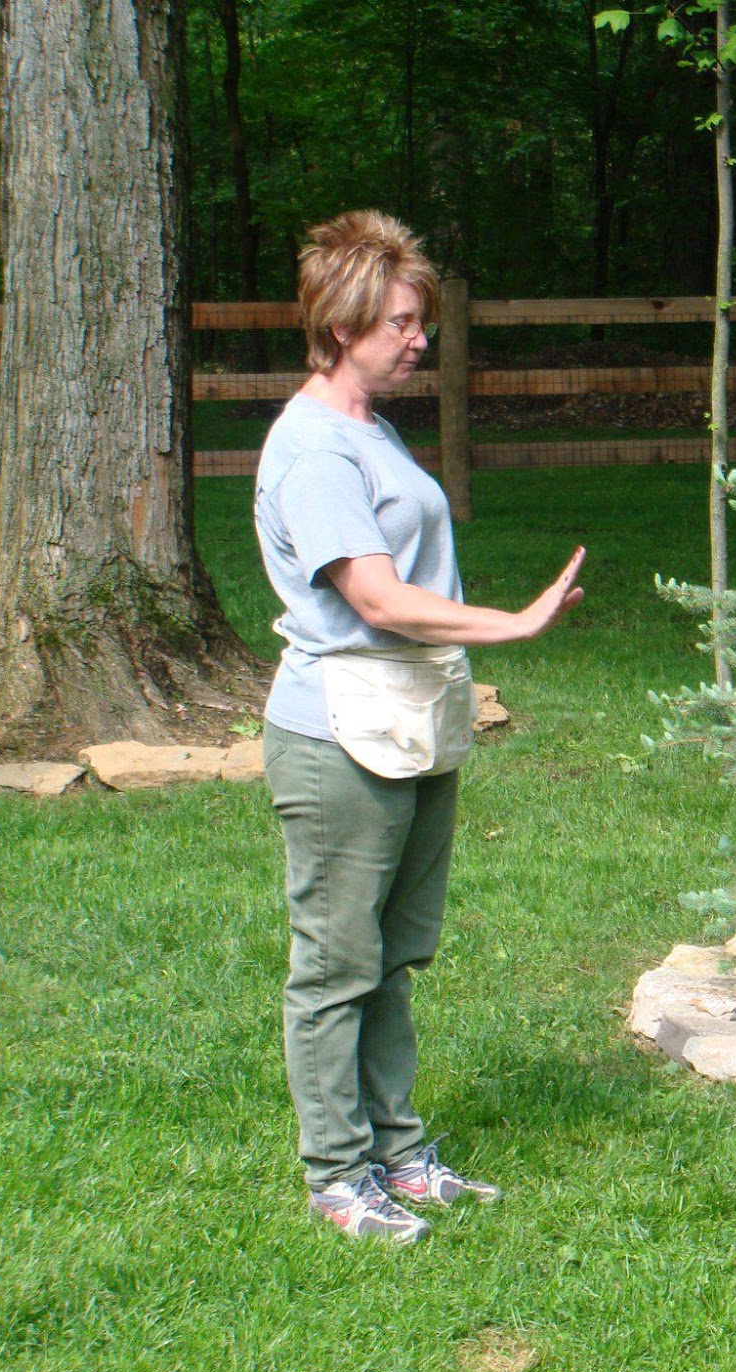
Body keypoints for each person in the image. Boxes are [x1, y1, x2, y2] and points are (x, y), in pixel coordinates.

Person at [254, 211, 585, 1244]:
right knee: (334, 964)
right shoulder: (311, 448)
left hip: (404, 721)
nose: (417, 340)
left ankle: (396, 1152)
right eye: (398, 322)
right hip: (339, 731)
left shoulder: (366, 426)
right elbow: (380, 600)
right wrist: (515, 621)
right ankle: (335, 1174)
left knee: (390, 956)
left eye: (418, 321)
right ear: (340, 322)